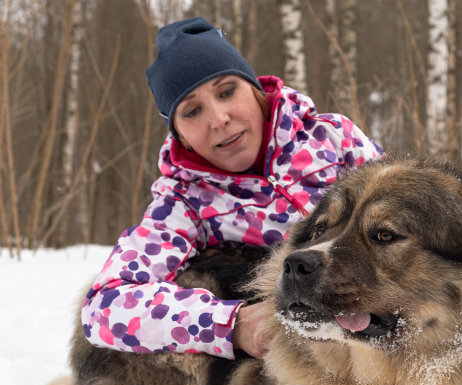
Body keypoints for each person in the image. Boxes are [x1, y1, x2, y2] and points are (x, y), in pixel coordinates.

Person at [81, 17, 384, 361]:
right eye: (192, 111)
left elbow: (400, 205)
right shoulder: (183, 201)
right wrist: (229, 324)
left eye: (227, 91)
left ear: (254, 90)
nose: (218, 118)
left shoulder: (332, 137)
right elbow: (103, 307)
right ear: (180, 135)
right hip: (308, 344)